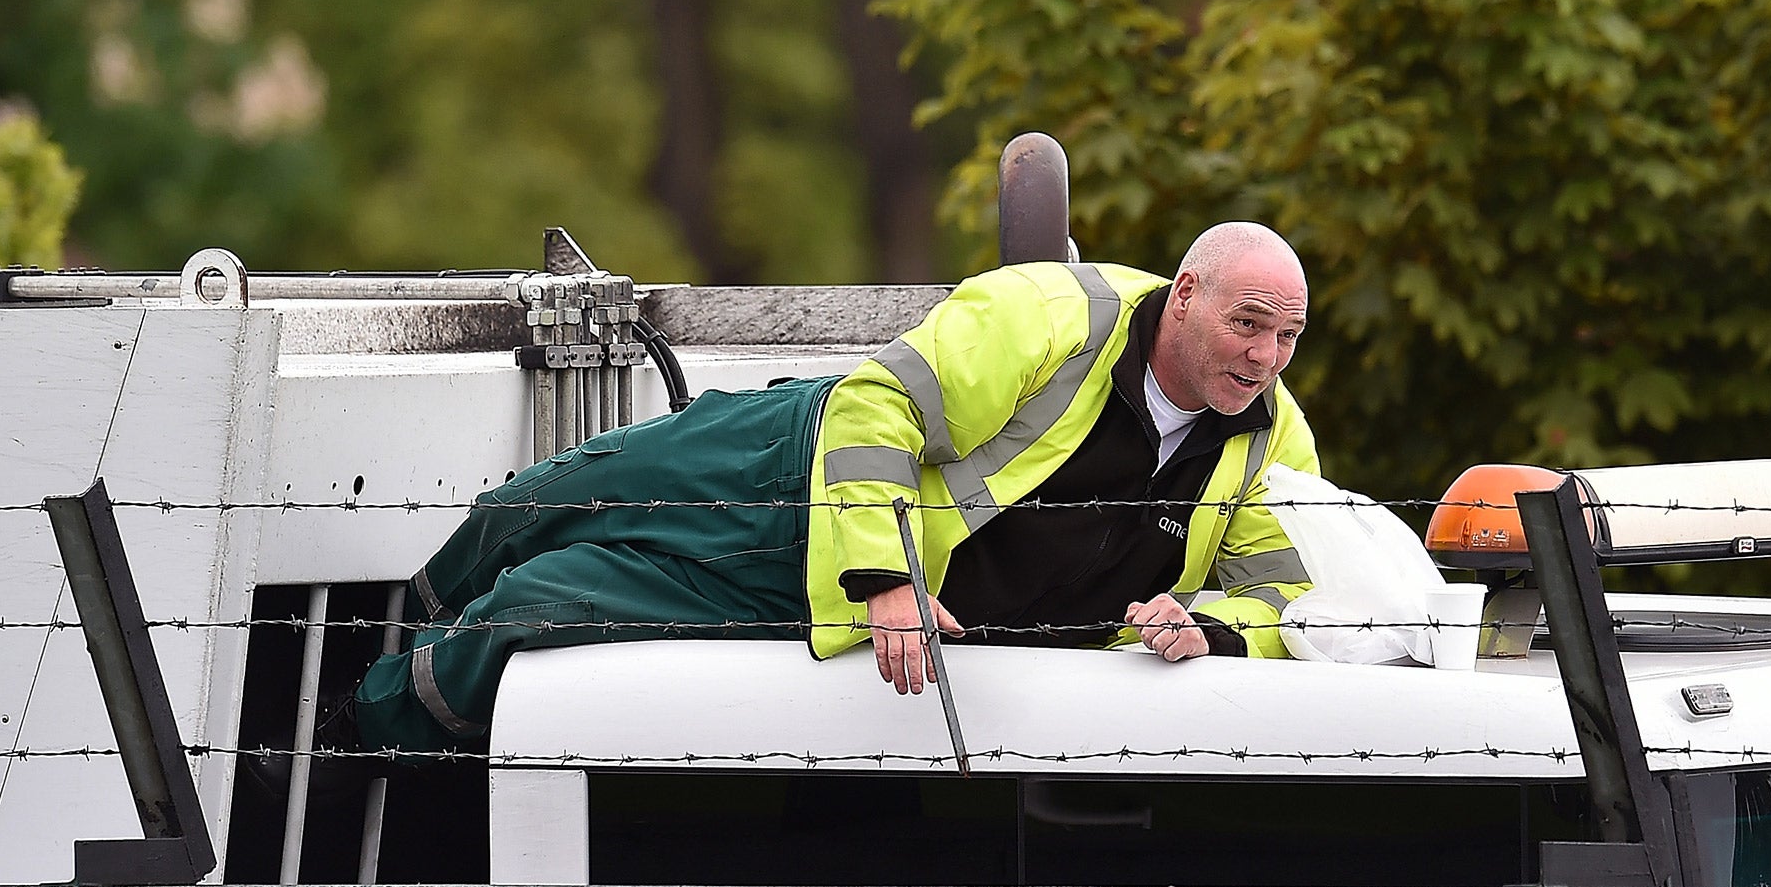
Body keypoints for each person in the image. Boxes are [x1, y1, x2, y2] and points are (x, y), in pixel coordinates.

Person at [352, 222, 1321, 752]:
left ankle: (363, 734)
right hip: (792, 463)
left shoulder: (1270, 441)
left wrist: (1218, 629)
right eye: (1247, 324)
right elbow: (874, 412)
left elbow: (1301, 601)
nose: (1264, 356)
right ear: (1184, 297)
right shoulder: (1053, 317)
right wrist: (887, 579)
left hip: (819, 600)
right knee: (539, 504)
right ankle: (375, 635)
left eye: (1286, 337)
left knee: (541, 608)